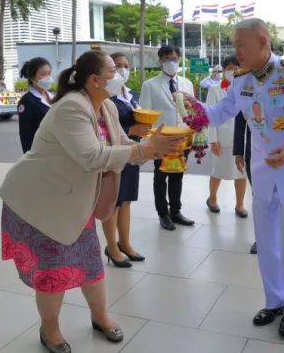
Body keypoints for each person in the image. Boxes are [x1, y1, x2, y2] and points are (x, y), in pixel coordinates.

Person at [0, 50, 184, 353]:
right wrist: (147, 149)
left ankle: (100, 317)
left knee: (91, 266)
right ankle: (50, 330)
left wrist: (154, 147)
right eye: (113, 71)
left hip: (76, 201)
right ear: (95, 79)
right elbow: (93, 157)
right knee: (52, 272)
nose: (119, 76)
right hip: (43, 203)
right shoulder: (70, 108)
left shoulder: (105, 105)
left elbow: (122, 144)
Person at [183, 18, 284, 338]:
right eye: (233, 46)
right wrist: (195, 109)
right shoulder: (241, 79)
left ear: (263, 42)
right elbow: (222, 111)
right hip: (262, 174)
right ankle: (275, 300)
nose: (236, 52)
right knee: (266, 244)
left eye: (241, 46)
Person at [139, 45, 197, 231]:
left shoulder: (187, 84)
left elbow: (192, 110)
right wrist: (148, 143)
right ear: (160, 61)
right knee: (161, 175)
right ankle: (163, 213)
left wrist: (193, 132)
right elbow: (145, 114)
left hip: (182, 137)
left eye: (174, 59)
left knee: (178, 174)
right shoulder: (150, 85)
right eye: (167, 59)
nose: (171, 63)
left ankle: (176, 211)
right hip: (161, 138)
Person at [102, 52, 149, 268]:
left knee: (127, 200)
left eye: (126, 65)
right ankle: (111, 246)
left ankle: (125, 243)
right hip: (115, 153)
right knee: (114, 202)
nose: (122, 69)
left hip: (132, 152)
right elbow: (106, 126)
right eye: (117, 66)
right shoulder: (105, 95)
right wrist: (133, 129)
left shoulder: (131, 93)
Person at [206, 54, 248, 218]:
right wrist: (213, 140)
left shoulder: (246, 89)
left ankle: (240, 204)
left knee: (241, 174)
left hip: (241, 140)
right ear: (224, 71)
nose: (233, 72)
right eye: (230, 70)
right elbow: (210, 115)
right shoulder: (215, 89)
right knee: (218, 171)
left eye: (237, 69)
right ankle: (213, 199)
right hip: (222, 141)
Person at [17, 57, 53, 153]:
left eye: (49, 73)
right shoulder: (27, 101)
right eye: (43, 74)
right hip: (40, 151)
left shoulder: (53, 97)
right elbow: (25, 134)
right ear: (32, 77)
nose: (48, 77)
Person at [234, 111, 257, 254]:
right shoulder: (246, 89)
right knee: (259, 199)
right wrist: (238, 151)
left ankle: (283, 238)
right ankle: (261, 238)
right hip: (253, 154)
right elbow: (240, 120)